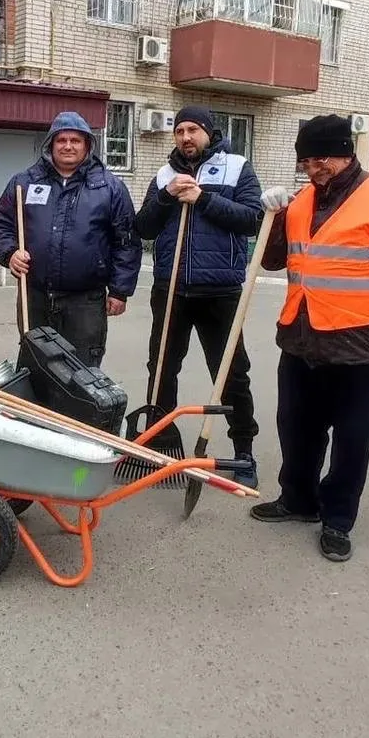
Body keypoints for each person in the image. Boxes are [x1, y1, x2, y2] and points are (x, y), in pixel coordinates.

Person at [252, 114, 369, 562]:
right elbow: (273, 260)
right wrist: (272, 216)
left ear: (346, 154)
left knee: (352, 440)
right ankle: (298, 500)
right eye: (306, 162)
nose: (313, 170)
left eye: (322, 160)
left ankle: (337, 519)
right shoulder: (300, 202)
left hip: (360, 347)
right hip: (301, 339)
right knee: (296, 429)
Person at [133, 106, 262, 483]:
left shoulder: (237, 167)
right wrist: (167, 196)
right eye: (179, 131)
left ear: (208, 132)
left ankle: (244, 452)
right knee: (161, 368)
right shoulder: (165, 175)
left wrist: (203, 198)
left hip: (219, 290)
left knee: (231, 373)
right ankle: (160, 444)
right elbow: (143, 227)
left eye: (193, 130)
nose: (186, 137)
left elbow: (252, 219)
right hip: (171, 288)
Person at [0, 111, 141, 366]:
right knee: (35, 365)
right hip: (35, 296)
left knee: (81, 370)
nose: (68, 146)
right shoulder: (25, 182)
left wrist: (119, 291)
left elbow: (126, 241)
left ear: (87, 145)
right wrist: (10, 252)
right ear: (50, 144)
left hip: (86, 301)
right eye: (61, 140)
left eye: (75, 140)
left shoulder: (109, 187)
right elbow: (1, 225)